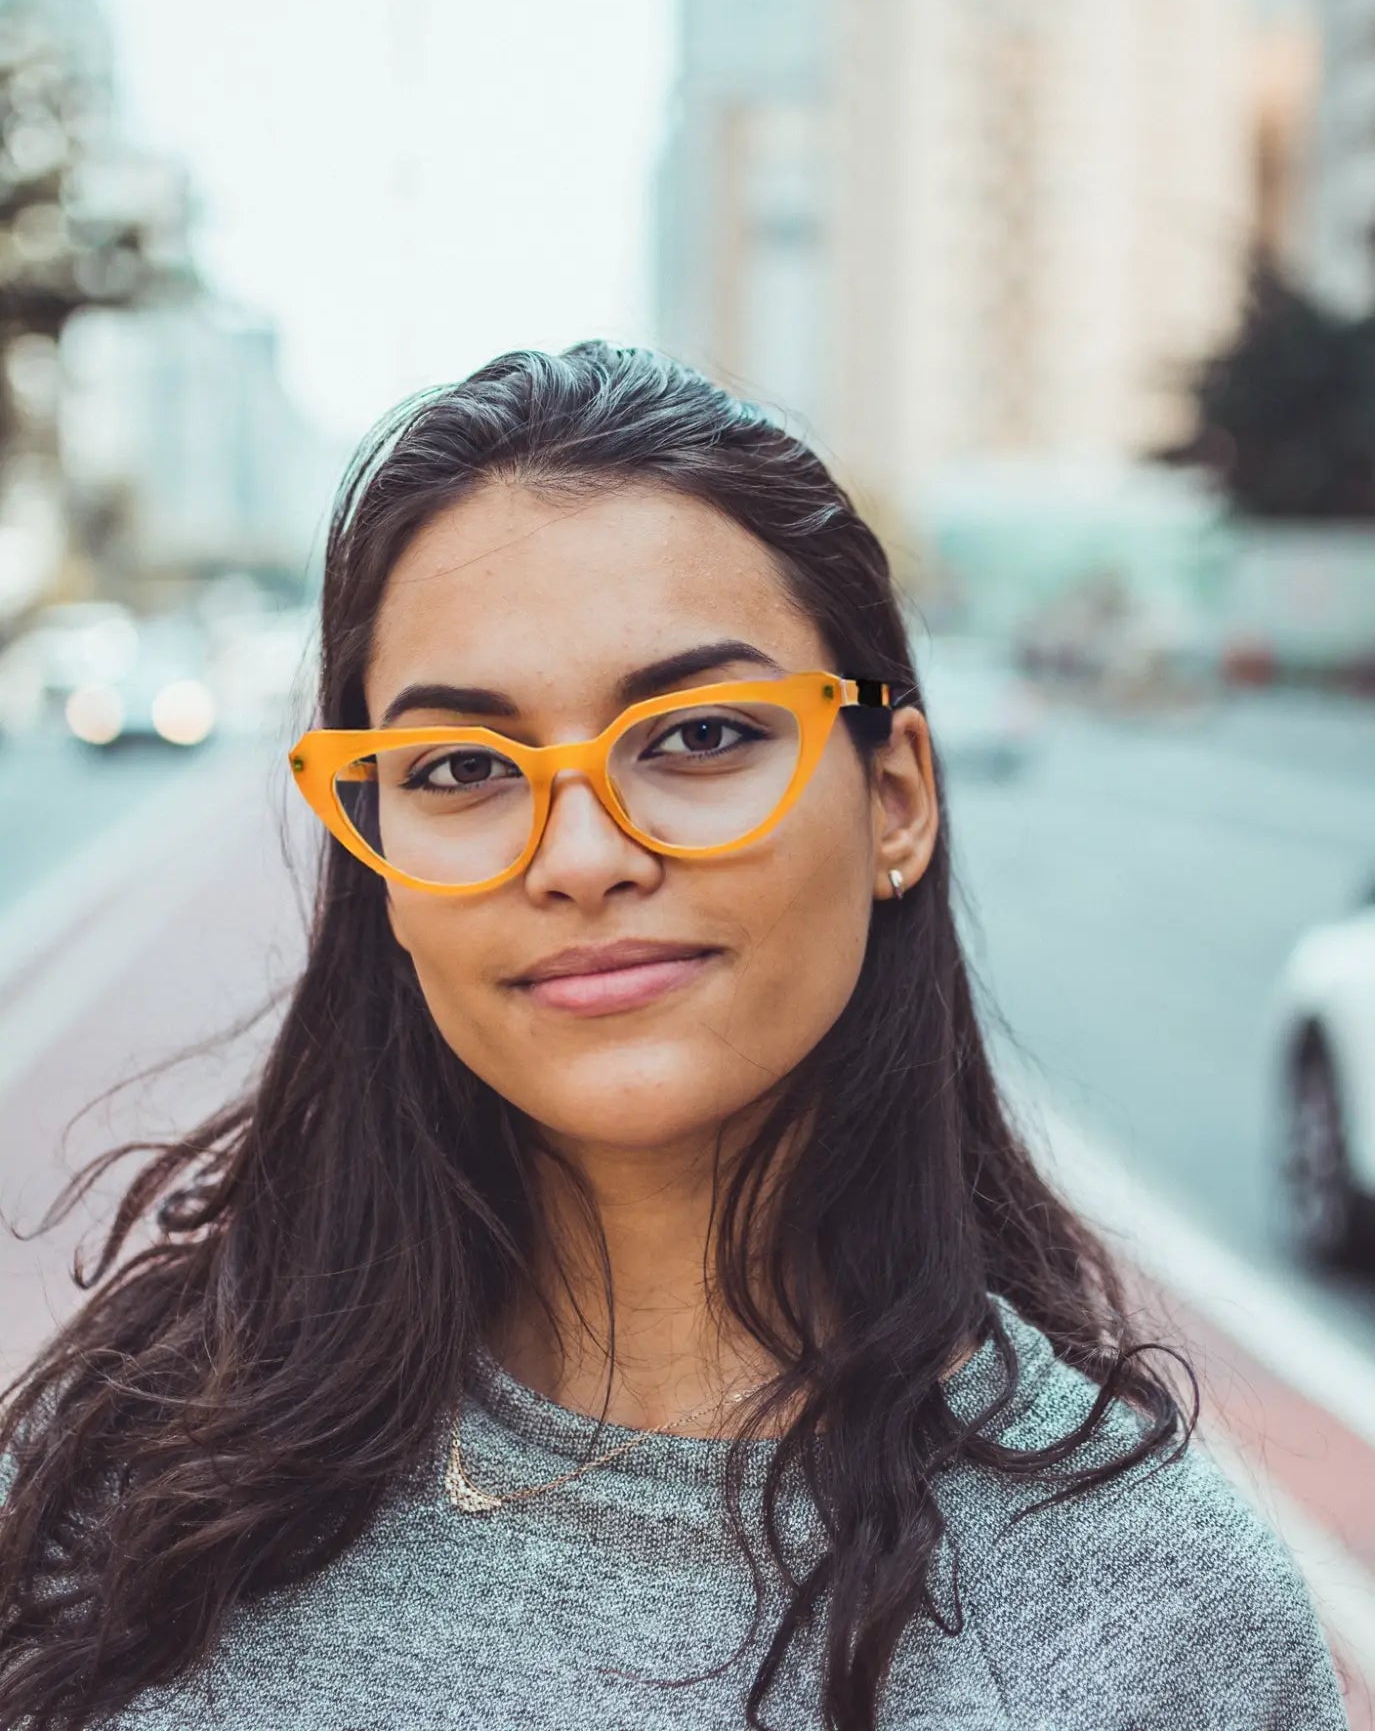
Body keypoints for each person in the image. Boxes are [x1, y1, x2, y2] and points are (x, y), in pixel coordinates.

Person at [0, 343, 1348, 1731]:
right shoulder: (114, 1490)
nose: (582, 856)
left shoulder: (1152, 1617)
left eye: (696, 737)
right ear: (382, 857)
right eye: (462, 769)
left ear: (892, 802)